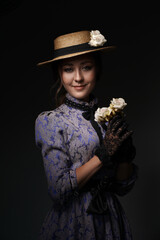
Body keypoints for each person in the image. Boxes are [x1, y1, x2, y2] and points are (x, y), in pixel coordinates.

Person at [35, 30, 138, 240]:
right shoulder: (50, 121)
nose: (78, 77)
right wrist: (102, 156)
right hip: (73, 222)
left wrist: (125, 158)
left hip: (111, 220)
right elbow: (58, 190)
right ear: (59, 75)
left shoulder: (109, 117)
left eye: (86, 67)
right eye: (68, 69)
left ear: (97, 70)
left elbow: (121, 187)